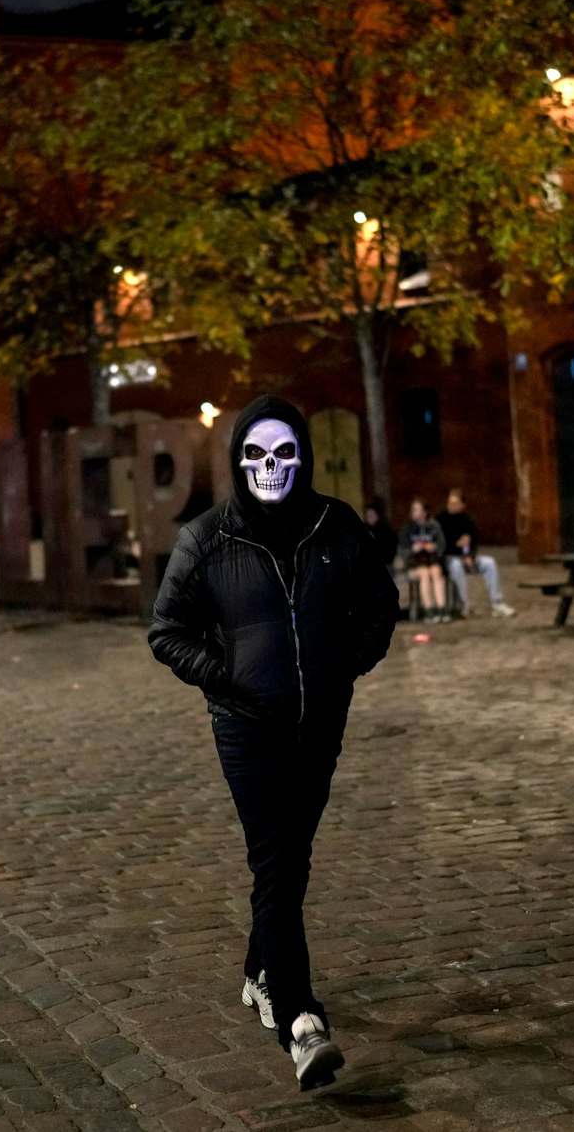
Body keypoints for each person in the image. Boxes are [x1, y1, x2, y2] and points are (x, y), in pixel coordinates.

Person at [148, 395, 399, 1090]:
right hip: (246, 729)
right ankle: (300, 1020)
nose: (271, 466)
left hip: (320, 722)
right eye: (256, 454)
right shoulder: (207, 538)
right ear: (237, 460)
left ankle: (260, 971)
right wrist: (227, 677)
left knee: (292, 857)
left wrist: (343, 665)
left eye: (284, 452)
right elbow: (166, 630)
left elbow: (381, 605)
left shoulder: (334, 524)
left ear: (303, 457)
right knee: (277, 858)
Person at [438, 489, 516, 618]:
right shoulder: (441, 520)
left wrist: (470, 556)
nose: (451, 506)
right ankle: (464, 605)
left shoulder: (468, 520)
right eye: (450, 503)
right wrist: (456, 545)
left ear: (462, 505)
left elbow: (473, 542)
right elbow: (440, 546)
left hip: (466, 557)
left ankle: (497, 602)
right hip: (449, 558)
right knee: (456, 566)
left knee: (489, 563)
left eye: (455, 504)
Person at [402, 498, 449, 624]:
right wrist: (413, 549)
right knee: (424, 573)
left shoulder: (434, 526)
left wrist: (433, 547)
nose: (415, 512)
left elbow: (441, 546)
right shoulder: (408, 528)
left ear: (424, 512)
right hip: (414, 565)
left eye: (418, 510)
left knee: (436, 571)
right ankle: (429, 610)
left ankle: (441, 609)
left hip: (431, 561)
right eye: (413, 510)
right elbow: (402, 550)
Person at [361, 498, 399, 578]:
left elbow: (390, 550)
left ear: (378, 516)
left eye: (372, 515)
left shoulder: (386, 530)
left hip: (384, 563)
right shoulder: (363, 529)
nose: (369, 518)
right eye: (368, 516)